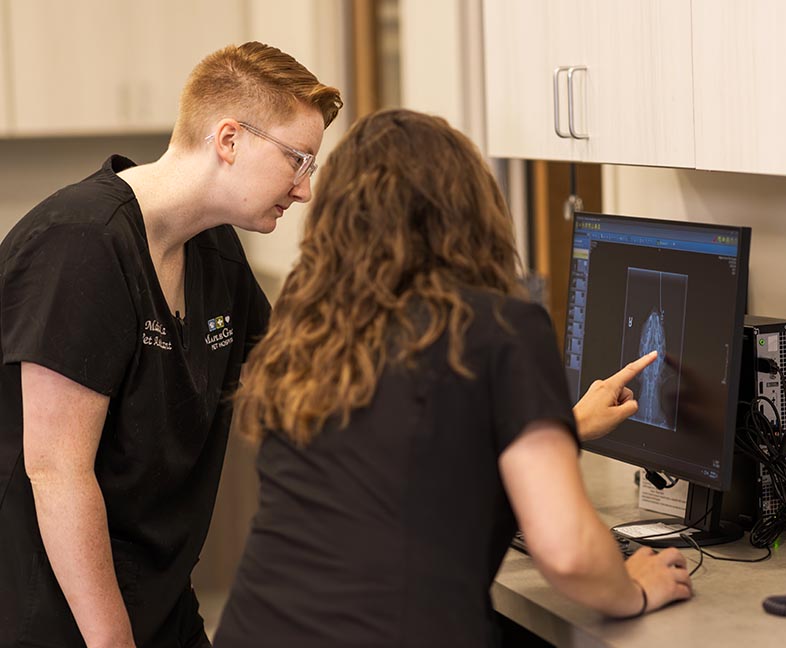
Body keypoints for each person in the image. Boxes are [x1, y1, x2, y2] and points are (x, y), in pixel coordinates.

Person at [212, 109, 692, 648]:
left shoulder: (311, 324)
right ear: (468, 209)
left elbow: (397, 450)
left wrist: (561, 424)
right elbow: (570, 554)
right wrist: (638, 590)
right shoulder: (499, 327)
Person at [0, 42, 342, 648]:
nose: (304, 190)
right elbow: (56, 471)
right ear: (229, 139)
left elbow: (302, 378)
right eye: (298, 160)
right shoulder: (82, 244)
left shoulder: (215, 252)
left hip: (158, 596)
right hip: (56, 609)